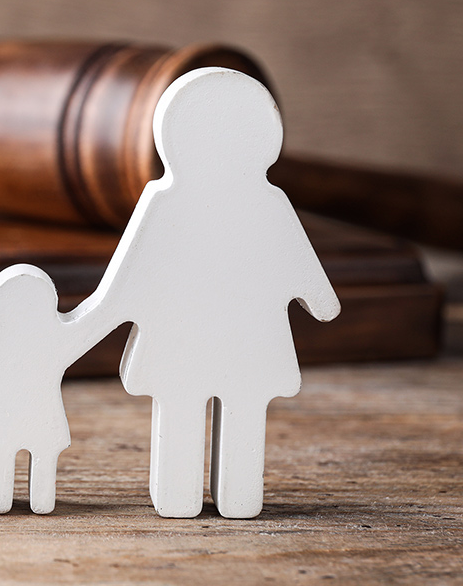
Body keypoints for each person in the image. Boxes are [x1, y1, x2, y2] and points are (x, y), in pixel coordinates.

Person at [88, 68, 340, 518]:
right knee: (209, 408)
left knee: (206, 408)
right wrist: (321, 304)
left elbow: (124, 287)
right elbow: (314, 289)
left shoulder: (249, 203)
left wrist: (98, 318)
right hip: (240, 342)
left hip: (204, 342)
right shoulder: (246, 202)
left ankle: (207, 496)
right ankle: (203, 495)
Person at [0, 264, 113, 514]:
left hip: (21, 421)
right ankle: (13, 499)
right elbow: (90, 327)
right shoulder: (14, 343)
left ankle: (25, 500)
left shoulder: (13, 343)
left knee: (23, 457)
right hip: (22, 421)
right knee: (10, 457)